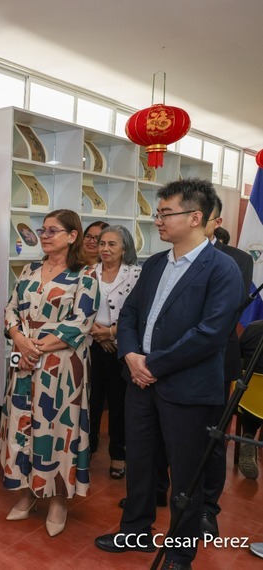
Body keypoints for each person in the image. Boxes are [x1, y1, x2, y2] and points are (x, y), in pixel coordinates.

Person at [94, 178, 245, 570]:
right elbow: (130, 313)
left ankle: (179, 554)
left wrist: (152, 365)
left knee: (186, 475)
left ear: (195, 217)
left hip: (187, 389)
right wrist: (130, 355)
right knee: (141, 462)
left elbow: (210, 334)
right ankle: (135, 531)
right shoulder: (156, 263)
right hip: (140, 382)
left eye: (165, 213)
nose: (157, 220)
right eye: (157, 213)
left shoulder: (222, 268)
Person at [0, 208, 99, 537]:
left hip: (61, 368)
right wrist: (19, 339)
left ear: (72, 236)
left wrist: (34, 348)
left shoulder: (85, 275)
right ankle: (27, 492)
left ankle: (58, 499)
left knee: (56, 431)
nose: (44, 235)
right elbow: (11, 308)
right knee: (23, 426)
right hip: (24, 363)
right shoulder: (29, 269)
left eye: (52, 230)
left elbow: (80, 323)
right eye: (42, 230)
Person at [200, 195, 253, 536]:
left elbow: (226, 310)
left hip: (217, 359)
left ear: (215, 222)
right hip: (173, 361)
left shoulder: (237, 259)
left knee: (213, 435)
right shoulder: (167, 258)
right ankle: (162, 491)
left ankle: (208, 507)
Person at [88, 225, 141, 479]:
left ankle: (118, 454)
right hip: (91, 344)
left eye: (112, 244)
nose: (105, 249)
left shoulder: (137, 274)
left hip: (121, 347)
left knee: (119, 404)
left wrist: (111, 333)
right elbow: (76, 308)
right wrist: (97, 334)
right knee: (90, 401)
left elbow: (139, 313)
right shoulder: (88, 272)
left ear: (124, 248)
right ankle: (86, 450)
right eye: (102, 244)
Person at [237, 320, 263, 479]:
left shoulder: (253, 328)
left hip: (248, 400)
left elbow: (238, 358)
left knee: (253, 406)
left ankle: (248, 435)